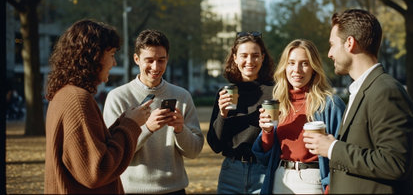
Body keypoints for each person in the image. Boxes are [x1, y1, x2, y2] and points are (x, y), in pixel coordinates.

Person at [303, 9, 413, 193]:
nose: (330, 53)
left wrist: (332, 148)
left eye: (332, 45)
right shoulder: (362, 89)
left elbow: (395, 163)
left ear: (350, 43)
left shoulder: (385, 91)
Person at [44, 19, 152, 194]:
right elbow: (97, 170)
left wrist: (123, 123)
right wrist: (131, 126)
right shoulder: (78, 100)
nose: (114, 63)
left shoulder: (65, 94)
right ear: (93, 56)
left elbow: (90, 150)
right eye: (111, 54)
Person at [103, 29, 204, 194]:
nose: (155, 67)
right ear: (136, 59)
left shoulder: (182, 96)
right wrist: (147, 128)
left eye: (161, 60)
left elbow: (194, 152)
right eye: (149, 60)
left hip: (174, 189)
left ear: (167, 59)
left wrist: (180, 130)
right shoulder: (118, 97)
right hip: (131, 190)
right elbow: (113, 153)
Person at [252, 39, 345, 194]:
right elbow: (263, 157)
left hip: (313, 181)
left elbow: (342, 152)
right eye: (291, 63)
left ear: (314, 68)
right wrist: (267, 132)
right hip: (279, 178)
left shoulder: (330, 104)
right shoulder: (278, 103)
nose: (297, 69)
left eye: (304, 63)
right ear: (284, 66)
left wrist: (330, 188)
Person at [207, 31, 275, 194]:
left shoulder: (275, 92)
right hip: (231, 171)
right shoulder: (226, 92)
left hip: (263, 169)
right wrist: (222, 114)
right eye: (244, 55)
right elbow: (215, 145)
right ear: (235, 58)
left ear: (263, 57)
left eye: (255, 55)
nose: (249, 61)